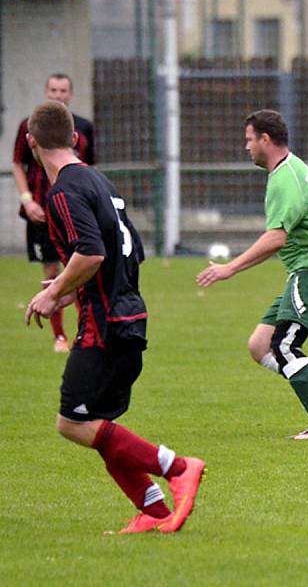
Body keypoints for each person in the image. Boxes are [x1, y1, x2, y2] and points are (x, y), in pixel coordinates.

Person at [23, 100, 205, 534]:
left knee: (73, 422)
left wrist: (56, 294)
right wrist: (71, 289)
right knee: (99, 425)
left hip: (104, 325)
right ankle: (155, 511)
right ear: (74, 138)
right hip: (128, 314)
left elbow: (91, 252)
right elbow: (130, 251)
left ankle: (178, 467)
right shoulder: (99, 181)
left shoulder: (63, 191)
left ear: (31, 142)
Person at [196, 109, 308, 440]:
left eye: (249, 140)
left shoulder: (285, 177)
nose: (247, 147)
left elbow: (276, 238)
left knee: (283, 345)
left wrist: (230, 268)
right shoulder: (288, 169)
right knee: (260, 345)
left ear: (265, 139)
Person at [13, 73, 95, 353]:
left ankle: (85, 332)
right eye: (53, 89)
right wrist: (27, 201)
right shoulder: (29, 126)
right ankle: (59, 336)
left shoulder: (84, 128)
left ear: (70, 95)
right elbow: (18, 165)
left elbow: (90, 167)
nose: (58, 94)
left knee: (84, 267)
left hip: (73, 210)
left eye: (63, 90)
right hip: (41, 211)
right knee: (51, 269)